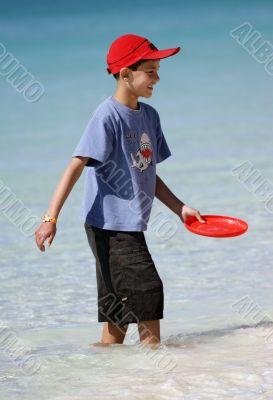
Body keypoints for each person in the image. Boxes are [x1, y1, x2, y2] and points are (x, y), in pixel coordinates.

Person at [35, 33, 205, 346]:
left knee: (119, 315)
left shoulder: (150, 117)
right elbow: (75, 165)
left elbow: (148, 173)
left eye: (158, 70)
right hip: (108, 226)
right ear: (126, 74)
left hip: (129, 225)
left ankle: (108, 379)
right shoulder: (107, 116)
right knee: (148, 293)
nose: (158, 77)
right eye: (150, 71)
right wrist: (50, 218)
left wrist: (180, 208)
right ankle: (157, 377)